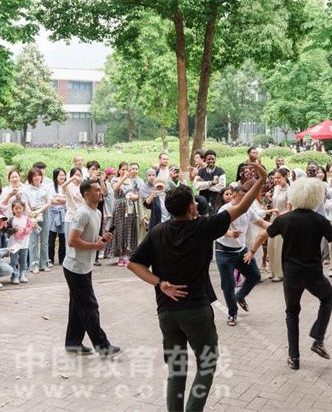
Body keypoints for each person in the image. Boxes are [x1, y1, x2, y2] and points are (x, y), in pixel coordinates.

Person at [127, 162, 266, 411]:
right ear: (192, 207)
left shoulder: (157, 232)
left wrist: (160, 283)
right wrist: (261, 180)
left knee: (176, 371)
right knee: (208, 363)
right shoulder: (203, 227)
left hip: (167, 311)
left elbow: (133, 264)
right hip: (196, 310)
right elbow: (242, 207)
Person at [246, 177, 332, 370]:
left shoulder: (284, 219)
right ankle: (318, 337)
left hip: (291, 274)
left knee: (292, 312)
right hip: (313, 273)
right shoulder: (319, 220)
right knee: (327, 298)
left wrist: (252, 251)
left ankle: (294, 358)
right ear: (316, 197)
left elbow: (263, 235)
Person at [62, 179, 121, 357]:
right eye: (96, 190)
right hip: (75, 268)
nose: (100, 192)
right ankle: (103, 346)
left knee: (77, 307)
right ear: (86, 194)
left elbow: (90, 238)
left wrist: (102, 240)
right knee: (90, 307)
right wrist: (96, 246)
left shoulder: (97, 212)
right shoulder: (82, 213)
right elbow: (72, 241)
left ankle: (73, 344)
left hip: (84, 267)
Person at [216, 184, 270, 326]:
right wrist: (230, 234)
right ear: (233, 196)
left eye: (247, 198)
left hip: (241, 251)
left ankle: (239, 296)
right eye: (242, 198)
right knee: (228, 284)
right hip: (224, 252)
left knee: (255, 276)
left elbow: (260, 222)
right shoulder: (224, 210)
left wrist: (277, 226)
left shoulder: (248, 209)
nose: (246, 202)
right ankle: (232, 313)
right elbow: (217, 229)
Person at [110, 162, 140, 266]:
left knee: (129, 229)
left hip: (130, 207)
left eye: (127, 169)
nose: (125, 171)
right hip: (120, 207)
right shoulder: (115, 179)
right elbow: (115, 188)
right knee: (120, 230)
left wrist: (132, 197)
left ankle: (128, 254)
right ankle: (120, 255)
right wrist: (123, 178)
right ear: (119, 170)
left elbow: (137, 195)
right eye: (123, 169)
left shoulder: (133, 181)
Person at [267, 167, 292, 282]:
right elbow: (273, 205)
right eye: (275, 178)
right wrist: (268, 199)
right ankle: (272, 271)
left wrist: (280, 214)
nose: (276, 180)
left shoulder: (290, 190)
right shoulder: (276, 188)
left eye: (279, 178)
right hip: (273, 220)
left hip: (283, 221)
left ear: (285, 177)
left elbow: (289, 210)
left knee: (279, 247)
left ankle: (280, 273)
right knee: (270, 246)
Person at [48, 168, 69, 266]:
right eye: (60, 175)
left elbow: (68, 200)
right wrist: (63, 200)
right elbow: (50, 200)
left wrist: (59, 199)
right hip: (53, 214)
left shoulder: (67, 186)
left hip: (64, 214)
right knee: (51, 238)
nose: (62, 177)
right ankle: (50, 259)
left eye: (63, 175)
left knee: (63, 237)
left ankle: (62, 259)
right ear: (55, 176)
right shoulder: (51, 187)